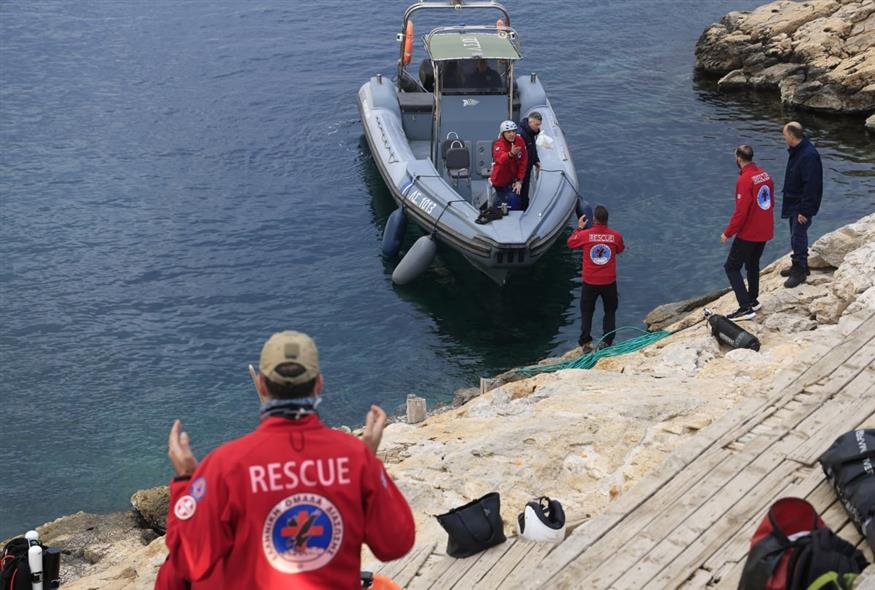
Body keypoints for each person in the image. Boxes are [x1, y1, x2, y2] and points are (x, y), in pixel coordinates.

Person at [155, 331, 415, 590]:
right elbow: (396, 543)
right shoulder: (355, 457)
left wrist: (186, 484)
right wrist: (369, 465)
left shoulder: (224, 465)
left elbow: (189, 561)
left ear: (261, 386)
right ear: (319, 384)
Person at [720, 145, 775, 320]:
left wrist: (728, 233)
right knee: (752, 263)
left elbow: (741, 211)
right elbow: (770, 202)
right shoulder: (764, 175)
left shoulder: (745, 180)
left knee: (731, 267)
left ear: (738, 158)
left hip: (749, 233)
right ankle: (753, 299)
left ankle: (745, 307)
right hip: (765, 229)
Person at [567, 205, 625, 350]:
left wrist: (580, 228)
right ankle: (607, 342)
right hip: (609, 281)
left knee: (587, 312)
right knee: (610, 311)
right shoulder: (615, 236)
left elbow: (571, 243)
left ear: (594, 219)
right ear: (607, 220)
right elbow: (620, 249)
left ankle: (586, 342)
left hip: (590, 282)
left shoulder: (586, 235)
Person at [780, 121, 822, 288]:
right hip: (794, 201)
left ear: (791, 135)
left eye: (784, 135)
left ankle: (800, 271)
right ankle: (799, 264)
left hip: (801, 204)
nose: (784, 139)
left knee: (798, 236)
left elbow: (812, 184)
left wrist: (805, 210)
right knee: (794, 235)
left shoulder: (808, 155)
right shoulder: (798, 151)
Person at [489, 120, 527, 211]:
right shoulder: (498, 145)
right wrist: (510, 154)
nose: (512, 134)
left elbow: (523, 161)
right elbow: (500, 159)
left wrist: (519, 180)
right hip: (500, 181)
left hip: (513, 180)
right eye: (509, 132)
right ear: (503, 134)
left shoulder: (519, 141)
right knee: (501, 203)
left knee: (515, 201)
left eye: (514, 131)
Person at [517, 112, 542, 210]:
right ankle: (522, 210)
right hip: (521, 171)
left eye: (539, 125)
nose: (538, 127)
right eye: (536, 125)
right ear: (530, 122)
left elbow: (532, 148)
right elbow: (519, 157)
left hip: (527, 169)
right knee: (522, 194)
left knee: (525, 193)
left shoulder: (530, 132)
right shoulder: (521, 135)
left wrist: (536, 161)